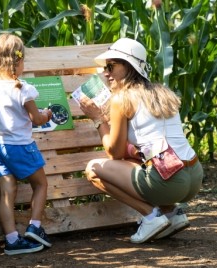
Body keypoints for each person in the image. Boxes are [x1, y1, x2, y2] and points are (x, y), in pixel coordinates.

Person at [78, 38, 204, 243]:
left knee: (93, 169)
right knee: (137, 160)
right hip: (194, 175)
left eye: (111, 66)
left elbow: (113, 152)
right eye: (105, 67)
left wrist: (98, 119)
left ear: (128, 67)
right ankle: (172, 213)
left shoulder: (122, 99)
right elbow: (145, 143)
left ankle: (151, 217)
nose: (106, 73)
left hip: (169, 182)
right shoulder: (163, 92)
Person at [0, 33, 53, 255]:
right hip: (20, 146)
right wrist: (47, 114)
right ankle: (35, 227)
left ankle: (12, 241)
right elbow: (37, 120)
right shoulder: (22, 89)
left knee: (8, 193)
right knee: (41, 185)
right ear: (19, 61)